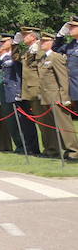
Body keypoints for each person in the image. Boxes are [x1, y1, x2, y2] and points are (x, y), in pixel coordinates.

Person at [33, 31, 78, 160]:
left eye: (45, 41)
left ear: (52, 42)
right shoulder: (43, 58)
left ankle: (73, 151)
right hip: (46, 96)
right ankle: (53, 151)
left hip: (57, 97)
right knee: (50, 127)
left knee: (64, 126)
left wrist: (64, 98)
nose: (42, 43)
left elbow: (63, 78)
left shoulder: (56, 57)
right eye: (41, 41)